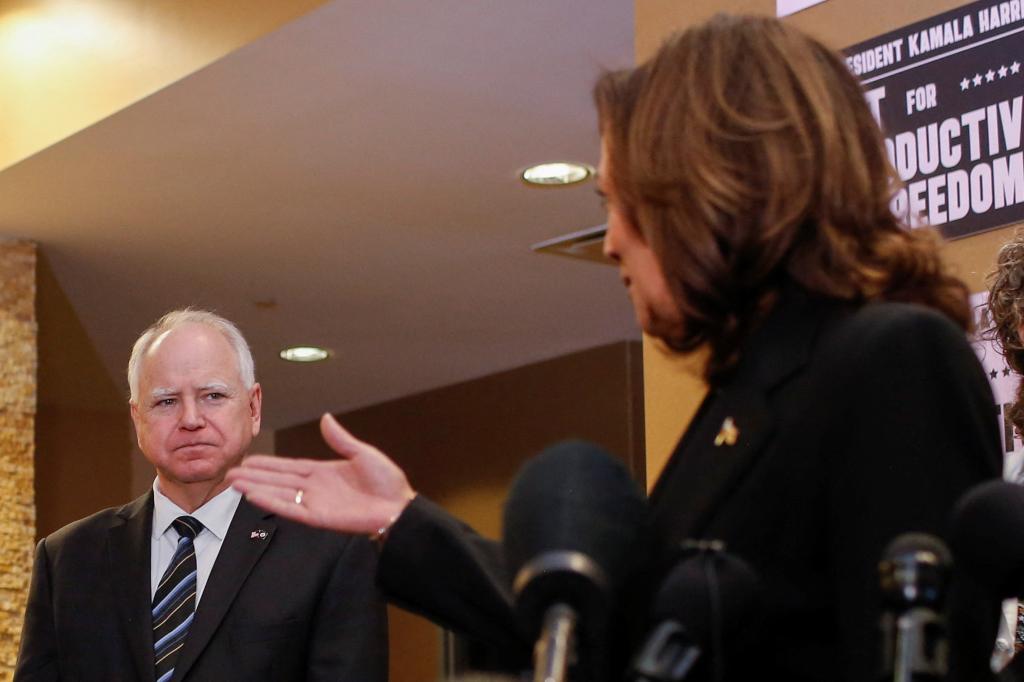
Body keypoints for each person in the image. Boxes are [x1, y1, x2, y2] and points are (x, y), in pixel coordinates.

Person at [227, 14, 1002, 682]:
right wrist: (398, 520)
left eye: (618, 203)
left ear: (708, 189)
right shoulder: (743, 393)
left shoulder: (894, 361)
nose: (612, 243)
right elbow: (618, 634)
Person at [15, 309, 388, 681]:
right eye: (166, 401)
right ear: (137, 418)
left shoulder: (331, 550)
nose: (191, 419)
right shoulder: (68, 558)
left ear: (254, 407)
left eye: (213, 395)